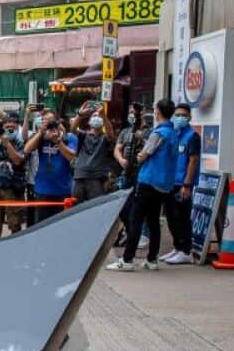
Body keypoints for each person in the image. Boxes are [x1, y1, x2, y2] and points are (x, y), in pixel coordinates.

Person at [108, 98, 179, 272]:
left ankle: (127, 259)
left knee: (136, 219)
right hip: (164, 184)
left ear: (158, 112)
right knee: (154, 221)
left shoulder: (159, 133)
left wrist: (141, 155)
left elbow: (143, 155)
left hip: (149, 181)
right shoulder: (173, 133)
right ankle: (151, 259)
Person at [160, 103, 201, 264]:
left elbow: (193, 161)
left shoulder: (192, 136)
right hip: (170, 182)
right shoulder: (174, 134)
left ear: (189, 117)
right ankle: (177, 247)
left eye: (183, 115)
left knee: (181, 217)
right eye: (177, 115)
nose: (179, 118)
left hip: (182, 184)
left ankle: (186, 250)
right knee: (171, 217)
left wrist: (187, 185)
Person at [23, 110, 78, 224]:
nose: (47, 124)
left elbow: (70, 156)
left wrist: (58, 141)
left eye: (50, 121)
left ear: (57, 122)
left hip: (62, 191)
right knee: (41, 226)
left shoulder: (69, 137)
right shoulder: (40, 138)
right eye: (44, 121)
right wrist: (40, 132)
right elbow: (26, 149)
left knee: (61, 226)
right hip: (42, 190)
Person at [113, 103, 150, 247]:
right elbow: (117, 148)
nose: (132, 115)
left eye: (134, 112)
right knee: (125, 205)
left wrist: (142, 138)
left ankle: (144, 234)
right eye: (130, 112)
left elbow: (152, 149)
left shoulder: (150, 131)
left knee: (142, 204)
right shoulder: (125, 131)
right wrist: (121, 159)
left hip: (142, 173)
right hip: (127, 172)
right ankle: (130, 231)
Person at [71, 101, 115, 204]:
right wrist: (80, 114)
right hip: (79, 176)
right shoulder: (84, 135)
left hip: (96, 178)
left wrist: (103, 115)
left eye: (99, 116)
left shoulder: (104, 137)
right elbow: (73, 129)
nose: (97, 117)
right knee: (76, 207)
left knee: (95, 207)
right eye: (94, 115)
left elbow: (110, 134)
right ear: (89, 121)